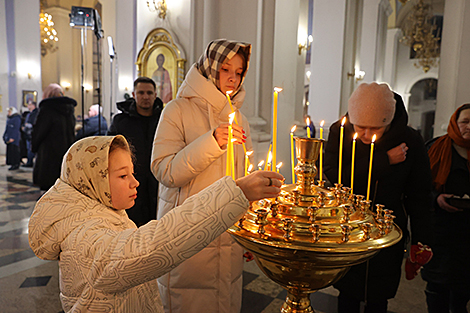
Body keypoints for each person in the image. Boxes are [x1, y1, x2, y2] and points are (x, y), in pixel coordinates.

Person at [28, 135, 283, 313]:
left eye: (132, 173)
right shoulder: (85, 238)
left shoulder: (103, 215)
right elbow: (154, 245)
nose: (135, 182)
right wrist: (235, 192)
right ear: (94, 181)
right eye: (122, 176)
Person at [151, 39, 252, 313]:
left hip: (228, 235)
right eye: (225, 69)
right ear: (210, 68)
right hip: (187, 232)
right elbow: (164, 170)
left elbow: (244, 178)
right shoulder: (177, 110)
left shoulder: (239, 119)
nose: (233, 77)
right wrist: (212, 142)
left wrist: (249, 231)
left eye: (239, 71)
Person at [324, 82, 433, 313]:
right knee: (346, 293)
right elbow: (332, 176)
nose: (364, 134)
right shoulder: (340, 131)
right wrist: (382, 161)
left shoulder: (410, 140)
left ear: (389, 121)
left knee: (378, 297)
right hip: (347, 226)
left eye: (373, 129)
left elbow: (419, 195)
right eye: (359, 127)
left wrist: (420, 241)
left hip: (388, 230)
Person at [421, 103, 470, 313]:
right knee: (438, 289)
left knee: (463, 291)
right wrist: (437, 199)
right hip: (441, 230)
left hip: (468, 233)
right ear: (455, 123)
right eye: (465, 121)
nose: (469, 126)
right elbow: (419, 186)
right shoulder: (436, 147)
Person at [108, 77, 163, 226]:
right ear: (134, 94)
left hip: (157, 180)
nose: (145, 97)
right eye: (141, 92)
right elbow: (110, 151)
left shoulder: (164, 119)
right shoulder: (121, 121)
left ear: (155, 95)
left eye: (149, 93)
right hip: (130, 180)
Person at [32, 83, 76, 191]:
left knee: (49, 185)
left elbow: (39, 132)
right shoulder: (69, 110)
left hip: (49, 154)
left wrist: (34, 146)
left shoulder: (47, 109)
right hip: (67, 151)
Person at [22, 101, 38, 167]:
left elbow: (33, 123)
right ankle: (29, 161)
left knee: (30, 149)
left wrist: (26, 126)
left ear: (33, 106)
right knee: (28, 148)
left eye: (29, 105)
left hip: (31, 134)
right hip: (28, 134)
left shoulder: (36, 113)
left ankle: (30, 162)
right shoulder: (29, 114)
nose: (28, 106)